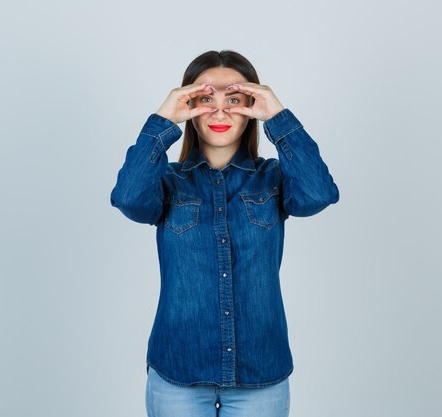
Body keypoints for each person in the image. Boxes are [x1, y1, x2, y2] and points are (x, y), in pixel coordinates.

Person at [109, 50, 339, 417]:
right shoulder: (167, 181)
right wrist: (163, 118)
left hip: (260, 371)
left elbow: (318, 193)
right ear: (190, 110)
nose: (219, 111)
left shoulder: (274, 179)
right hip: (178, 371)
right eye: (205, 100)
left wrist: (277, 115)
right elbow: (128, 198)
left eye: (233, 99)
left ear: (252, 107)